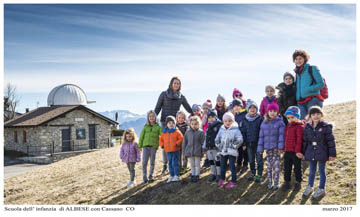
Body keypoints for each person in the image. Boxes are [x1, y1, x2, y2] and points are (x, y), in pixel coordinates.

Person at [154, 77, 193, 174]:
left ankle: (177, 164)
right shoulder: (164, 94)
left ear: (180, 86)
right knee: (166, 143)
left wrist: (194, 114)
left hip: (176, 123)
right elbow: (158, 107)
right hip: (164, 121)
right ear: (171, 84)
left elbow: (187, 107)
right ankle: (165, 165)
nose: (176, 85)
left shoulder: (181, 97)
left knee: (176, 143)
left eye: (178, 83)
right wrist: (153, 118)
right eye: (175, 83)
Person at [302, 106, 336, 198]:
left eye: (318, 114)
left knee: (321, 170)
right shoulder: (307, 127)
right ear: (310, 116)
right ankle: (310, 186)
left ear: (321, 115)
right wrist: (303, 152)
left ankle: (321, 189)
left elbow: (331, 141)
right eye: (313, 114)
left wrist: (332, 154)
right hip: (311, 152)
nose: (316, 116)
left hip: (322, 152)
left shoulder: (326, 126)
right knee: (312, 170)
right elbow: (305, 141)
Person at [257, 103, 285, 190]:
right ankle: (270, 182)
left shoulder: (280, 122)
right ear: (267, 112)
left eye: (274, 111)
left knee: (276, 166)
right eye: (270, 111)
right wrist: (260, 149)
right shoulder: (264, 123)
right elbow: (261, 136)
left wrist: (281, 147)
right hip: (268, 149)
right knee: (269, 166)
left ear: (277, 112)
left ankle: (276, 182)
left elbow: (281, 135)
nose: (272, 113)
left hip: (276, 148)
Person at [293, 50, 325, 120]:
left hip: (313, 99)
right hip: (300, 102)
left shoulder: (312, 68)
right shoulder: (297, 73)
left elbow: (321, 84)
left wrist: (307, 89)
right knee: (303, 124)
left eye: (300, 58)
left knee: (314, 123)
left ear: (305, 59)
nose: (298, 61)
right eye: (296, 59)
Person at [215, 112, 243, 189]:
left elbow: (240, 139)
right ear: (223, 121)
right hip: (223, 151)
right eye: (226, 121)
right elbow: (217, 138)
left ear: (233, 121)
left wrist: (233, 146)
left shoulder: (236, 129)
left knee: (231, 166)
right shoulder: (221, 129)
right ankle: (222, 178)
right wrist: (219, 145)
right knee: (223, 166)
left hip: (232, 152)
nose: (227, 122)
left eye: (230, 121)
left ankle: (233, 181)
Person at [281, 106, 305, 192]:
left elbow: (299, 140)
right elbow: (285, 138)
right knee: (287, 167)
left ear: (297, 117)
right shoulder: (288, 126)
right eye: (288, 118)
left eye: (292, 117)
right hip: (287, 151)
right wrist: (284, 148)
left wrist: (298, 151)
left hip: (296, 152)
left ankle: (298, 182)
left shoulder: (300, 126)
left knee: (297, 168)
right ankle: (287, 182)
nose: (290, 119)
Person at [242, 99, 264, 183]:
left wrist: (262, 144)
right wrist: (244, 143)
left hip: (258, 143)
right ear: (247, 109)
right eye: (250, 107)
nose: (252, 109)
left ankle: (259, 174)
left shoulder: (260, 119)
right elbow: (243, 132)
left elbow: (262, 132)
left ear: (256, 109)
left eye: (254, 107)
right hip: (249, 144)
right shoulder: (245, 120)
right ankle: (253, 173)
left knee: (259, 160)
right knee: (251, 160)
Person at [138, 110, 162, 184]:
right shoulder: (145, 127)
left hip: (153, 147)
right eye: (150, 116)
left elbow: (162, 136)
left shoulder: (158, 127)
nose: (151, 117)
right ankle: (144, 176)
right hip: (145, 147)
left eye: (153, 116)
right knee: (144, 162)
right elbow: (141, 137)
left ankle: (151, 175)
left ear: (155, 117)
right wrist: (140, 146)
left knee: (152, 162)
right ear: (148, 118)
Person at [159, 116, 184, 183]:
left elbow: (181, 138)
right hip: (168, 151)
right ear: (166, 124)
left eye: (173, 123)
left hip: (175, 150)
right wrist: (162, 145)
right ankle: (171, 175)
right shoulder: (164, 132)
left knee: (175, 163)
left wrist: (177, 144)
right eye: (169, 123)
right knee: (170, 163)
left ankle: (176, 175)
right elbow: (160, 140)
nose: (171, 124)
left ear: (175, 123)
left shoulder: (177, 131)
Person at [182, 116, 205, 183]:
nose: (194, 125)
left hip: (197, 151)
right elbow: (185, 142)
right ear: (190, 124)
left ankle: (197, 175)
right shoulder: (187, 132)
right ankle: (193, 174)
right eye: (192, 124)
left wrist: (203, 150)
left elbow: (203, 142)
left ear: (198, 124)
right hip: (190, 151)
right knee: (192, 164)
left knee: (197, 164)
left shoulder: (201, 132)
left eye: (195, 124)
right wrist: (184, 150)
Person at [203, 109, 222, 183]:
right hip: (209, 148)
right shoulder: (208, 127)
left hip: (216, 148)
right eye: (209, 117)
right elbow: (206, 137)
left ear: (216, 117)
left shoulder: (219, 126)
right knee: (211, 162)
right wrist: (204, 146)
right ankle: (213, 174)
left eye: (212, 117)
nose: (211, 119)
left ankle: (219, 174)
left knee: (217, 161)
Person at [232, 99, 249, 174]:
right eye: (234, 106)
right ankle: (238, 164)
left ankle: (245, 165)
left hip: (244, 137)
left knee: (245, 152)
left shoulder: (245, 114)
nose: (236, 107)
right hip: (237, 137)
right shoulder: (235, 116)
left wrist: (245, 141)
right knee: (239, 152)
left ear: (241, 106)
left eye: (238, 106)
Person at [176, 111, 189, 175]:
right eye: (179, 118)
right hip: (178, 143)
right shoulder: (175, 126)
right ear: (177, 118)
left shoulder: (186, 126)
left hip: (184, 143)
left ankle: (184, 167)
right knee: (178, 156)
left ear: (185, 118)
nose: (181, 119)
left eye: (182, 118)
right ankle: (179, 167)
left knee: (184, 156)